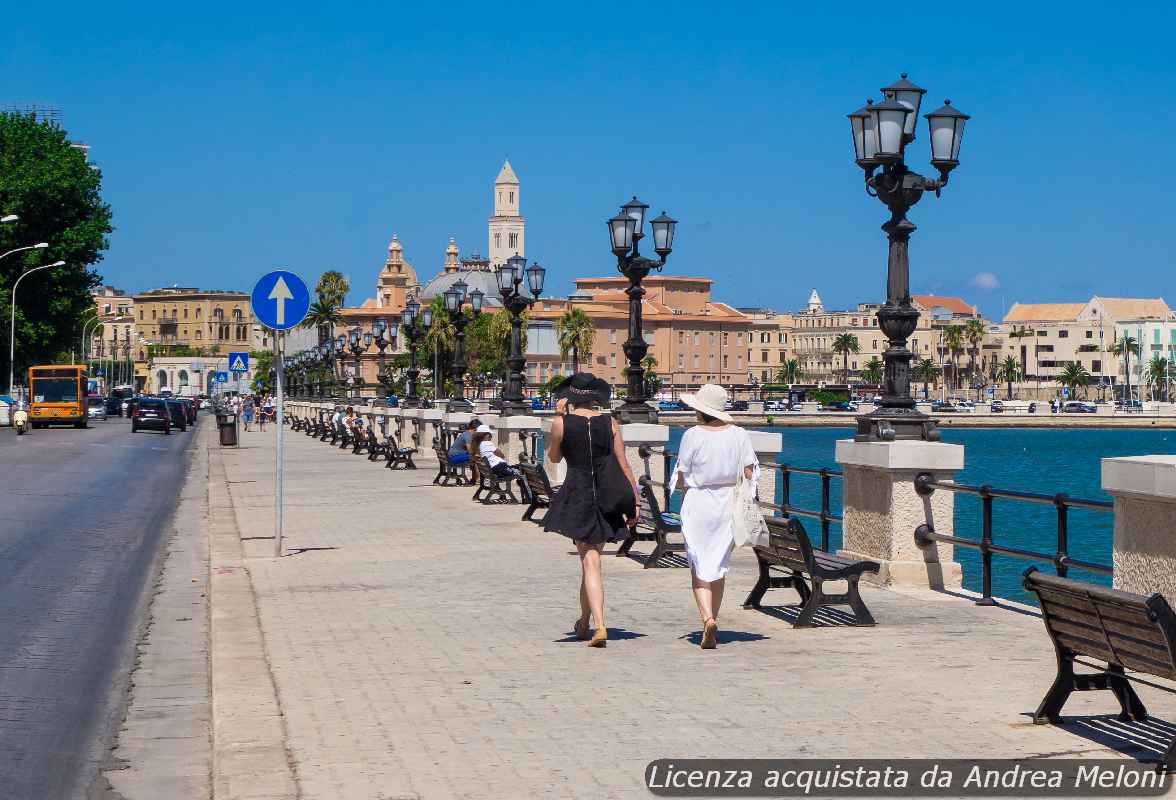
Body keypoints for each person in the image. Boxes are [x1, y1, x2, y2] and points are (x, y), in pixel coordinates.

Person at [542, 373, 639, 648]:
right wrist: (635, 500)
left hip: (578, 493)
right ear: (595, 396)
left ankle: (599, 625)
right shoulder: (610, 422)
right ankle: (584, 622)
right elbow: (624, 464)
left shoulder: (561, 422)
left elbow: (554, 457)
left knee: (590, 561)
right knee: (591, 560)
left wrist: (558, 419)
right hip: (606, 493)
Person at [671, 383, 758, 650]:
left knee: (698, 564)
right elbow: (749, 473)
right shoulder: (739, 434)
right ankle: (714, 620)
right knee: (718, 564)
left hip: (699, 502)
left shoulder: (693, 435)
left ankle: (707, 618)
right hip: (727, 503)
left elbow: (683, 474)